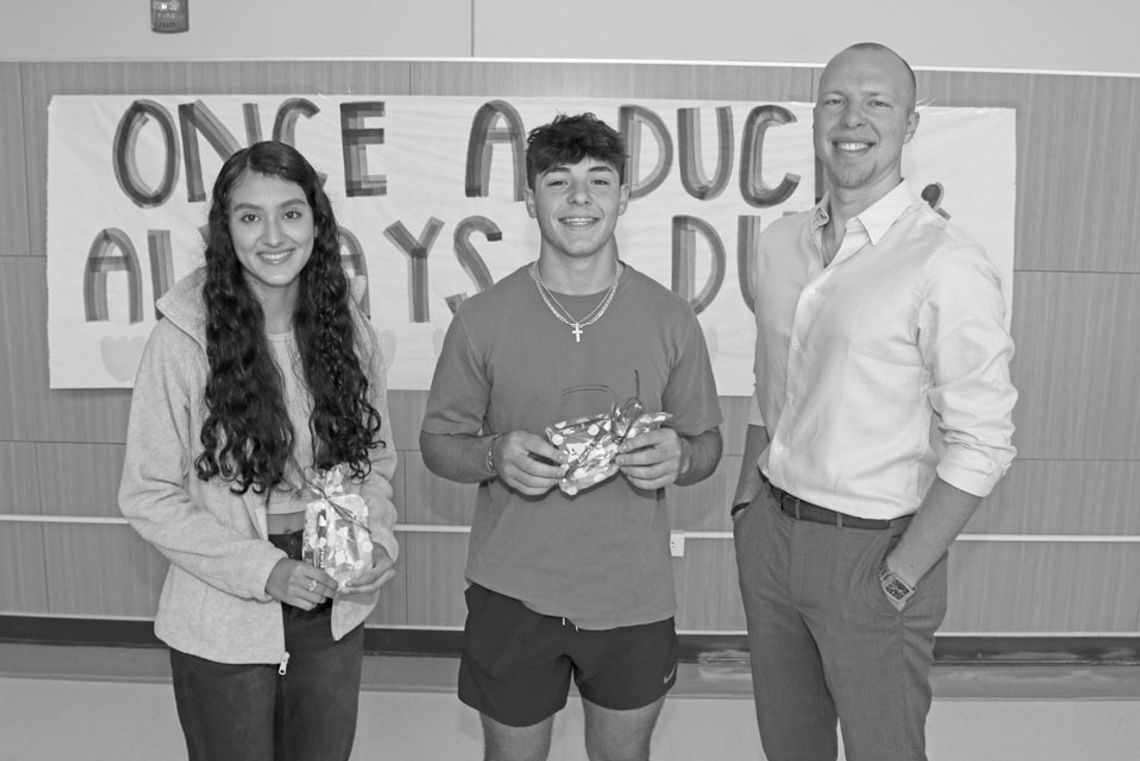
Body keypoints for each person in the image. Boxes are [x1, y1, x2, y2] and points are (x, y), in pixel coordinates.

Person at [731, 43, 1017, 761]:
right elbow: (771, 381)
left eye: (877, 103)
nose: (852, 119)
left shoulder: (945, 263)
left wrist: (902, 572)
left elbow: (984, 440)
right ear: (815, 114)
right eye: (835, 100)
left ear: (911, 125)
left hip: (875, 554)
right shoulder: (778, 243)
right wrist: (745, 508)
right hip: (773, 537)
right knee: (790, 747)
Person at [420, 113, 723, 761]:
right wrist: (492, 454)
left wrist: (682, 455)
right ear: (530, 199)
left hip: (634, 597)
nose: (580, 198)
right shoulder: (482, 320)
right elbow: (439, 441)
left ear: (624, 196)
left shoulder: (671, 318)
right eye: (558, 181)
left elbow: (707, 445)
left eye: (599, 180)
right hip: (513, 592)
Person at [118, 141, 399, 761]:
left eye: (291, 213)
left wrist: (376, 537)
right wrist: (263, 569)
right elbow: (147, 492)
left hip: (332, 599)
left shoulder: (349, 333)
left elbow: (373, 464)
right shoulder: (181, 341)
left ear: (317, 223)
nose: (273, 235)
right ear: (225, 230)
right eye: (250, 217)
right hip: (221, 606)